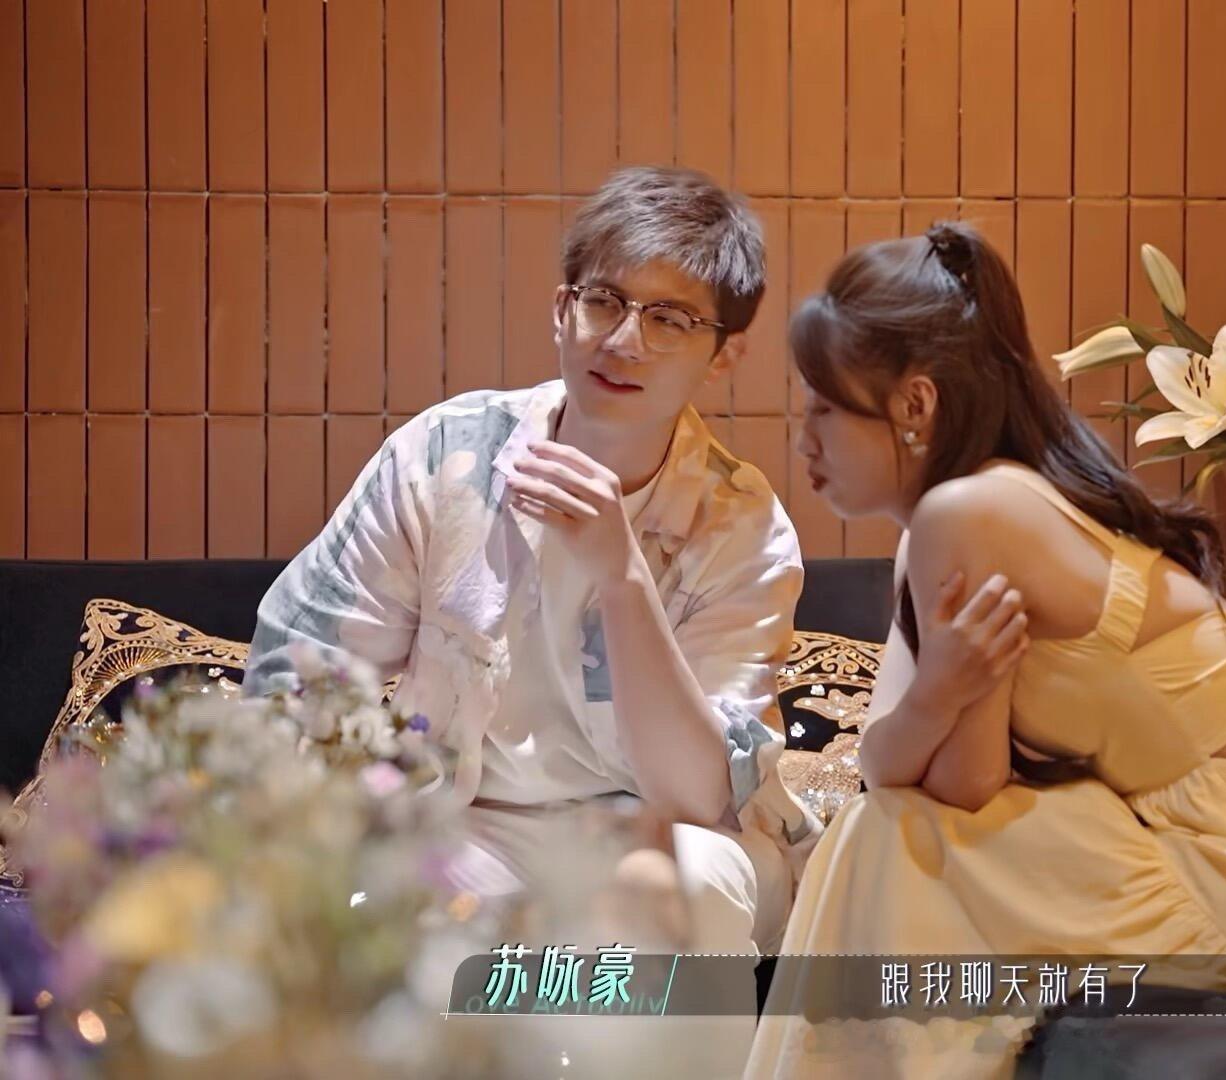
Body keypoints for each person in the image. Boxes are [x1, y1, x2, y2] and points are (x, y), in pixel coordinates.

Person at [747, 223, 1226, 1078]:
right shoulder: (948, 527)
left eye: (825, 408)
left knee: (892, 844)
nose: (804, 440)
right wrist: (939, 691)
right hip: (1214, 852)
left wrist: (940, 699)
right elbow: (893, 765)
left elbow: (961, 780)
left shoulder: (971, 515)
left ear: (914, 405)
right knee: (886, 831)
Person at [242, 166, 811, 1076]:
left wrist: (622, 575)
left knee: (688, 883)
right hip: (464, 820)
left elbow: (698, 794)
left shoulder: (742, 527)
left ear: (723, 355)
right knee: (354, 900)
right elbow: (303, 667)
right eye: (604, 301)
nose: (623, 340)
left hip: (649, 831)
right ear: (561, 309)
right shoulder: (444, 456)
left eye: (669, 318)